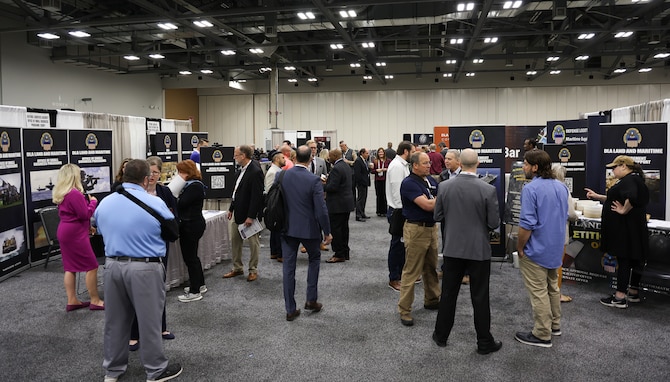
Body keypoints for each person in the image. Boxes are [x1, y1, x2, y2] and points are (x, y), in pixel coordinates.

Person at [95, 159, 182, 382]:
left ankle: (112, 370)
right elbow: (173, 232)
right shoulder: (155, 202)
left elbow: (96, 225)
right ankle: (155, 370)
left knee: (114, 321)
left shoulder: (105, 202)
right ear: (146, 179)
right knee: (150, 321)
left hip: (112, 265)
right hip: (145, 267)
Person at [431, 149, 502, 354]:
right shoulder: (487, 189)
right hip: (478, 250)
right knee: (480, 297)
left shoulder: (444, 186)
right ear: (478, 164)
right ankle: (484, 342)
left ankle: (441, 335)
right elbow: (493, 222)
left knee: (448, 294)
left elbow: (437, 215)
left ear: (460, 163)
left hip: (452, 248)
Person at [515, 149, 568, 348]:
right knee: (552, 287)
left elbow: (526, 224)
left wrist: (520, 247)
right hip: (555, 248)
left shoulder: (531, 189)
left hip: (536, 249)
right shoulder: (561, 187)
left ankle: (542, 333)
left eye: (526, 164)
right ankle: (555, 325)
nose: (523, 167)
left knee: (538, 292)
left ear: (535, 167)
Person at [585, 155, 649, 309]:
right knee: (635, 259)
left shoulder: (630, 180)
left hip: (626, 229)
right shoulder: (634, 179)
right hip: (633, 229)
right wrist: (598, 197)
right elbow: (620, 197)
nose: (612, 170)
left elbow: (631, 197)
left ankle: (620, 297)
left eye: (614, 167)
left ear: (624, 166)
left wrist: (623, 210)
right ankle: (633, 292)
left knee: (625, 259)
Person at [129, 156, 178, 351]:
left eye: (156, 172)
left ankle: (161, 327)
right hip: (137, 246)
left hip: (160, 246)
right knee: (135, 290)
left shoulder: (165, 192)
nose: (152, 176)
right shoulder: (133, 193)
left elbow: (174, 217)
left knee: (159, 287)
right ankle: (134, 333)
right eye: (149, 173)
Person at [280, 146, 333, 321]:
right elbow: (321, 210)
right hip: (309, 229)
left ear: (294, 158)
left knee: (288, 267)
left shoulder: (283, 175)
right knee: (314, 259)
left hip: (287, 228)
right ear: (311, 159)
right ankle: (311, 299)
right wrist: (327, 232)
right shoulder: (314, 180)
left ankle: (290, 309)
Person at [52, 163, 104, 311]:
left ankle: (72, 300)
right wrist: (93, 202)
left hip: (66, 231)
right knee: (92, 266)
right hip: (75, 234)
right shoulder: (74, 193)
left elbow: (76, 215)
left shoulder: (62, 193)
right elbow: (85, 214)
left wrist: (88, 227)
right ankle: (95, 300)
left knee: (70, 268)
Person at [397, 151, 441, 327]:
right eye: (425, 163)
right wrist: (443, 197)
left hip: (431, 229)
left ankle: (432, 299)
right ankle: (404, 310)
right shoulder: (408, 183)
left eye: (428, 162)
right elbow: (428, 205)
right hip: (416, 230)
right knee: (412, 271)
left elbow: (436, 200)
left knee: (431, 267)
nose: (428, 165)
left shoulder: (430, 180)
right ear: (414, 165)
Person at [223, 145, 265, 281]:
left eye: (236, 155)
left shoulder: (255, 171)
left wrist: (251, 216)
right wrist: (231, 208)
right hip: (237, 212)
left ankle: (253, 269)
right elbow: (236, 192)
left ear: (243, 155)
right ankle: (237, 268)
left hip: (249, 215)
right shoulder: (239, 171)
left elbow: (257, 197)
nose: (234, 158)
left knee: (253, 243)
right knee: (235, 240)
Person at [175, 160, 207, 302]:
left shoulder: (194, 186)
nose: (178, 175)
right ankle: (199, 284)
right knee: (193, 257)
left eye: (180, 172)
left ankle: (195, 291)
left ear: (187, 172)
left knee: (190, 258)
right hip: (192, 224)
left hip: (191, 225)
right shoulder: (192, 185)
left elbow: (181, 203)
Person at [385, 141, 413, 291]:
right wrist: (403, 212)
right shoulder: (396, 166)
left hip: (401, 210)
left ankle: (401, 275)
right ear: (406, 151)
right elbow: (397, 193)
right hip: (398, 210)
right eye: (412, 151)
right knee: (397, 245)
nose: (413, 154)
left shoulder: (402, 165)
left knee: (402, 245)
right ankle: (394, 278)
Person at [551, 164, 579, 303]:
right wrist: (576, 217)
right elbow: (571, 213)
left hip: (543, 233)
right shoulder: (563, 189)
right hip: (560, 233)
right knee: (557, 265)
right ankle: (557, 295)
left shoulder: (543, 187)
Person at [323, 148, 354, 263]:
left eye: (329, 156)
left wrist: (322, 185)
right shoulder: (345, 166)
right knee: (344, 229)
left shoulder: (336, 168)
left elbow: (333, 187)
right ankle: (345, 252)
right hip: (346, 203)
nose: (328, 158)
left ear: (335, 156)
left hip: (337, 205)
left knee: (336, 230)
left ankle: (338, 253)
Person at [265, 151, 286, 262]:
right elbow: (270, 191)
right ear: (277, 159)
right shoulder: (273, 172)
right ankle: (279, 253)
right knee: (278, 229)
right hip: (275, 204)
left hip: (276, 204)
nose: (285, 160)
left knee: (276, 230)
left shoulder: (277, 171)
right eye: (283, 157)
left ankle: (275, 252)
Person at [353, 147, 372, 221]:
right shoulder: (358, 161)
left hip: (365, 183)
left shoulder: (364, 160)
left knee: (364, 199)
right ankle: (358, 215)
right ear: (362, 153)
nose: (368, 154)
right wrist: (361, 182)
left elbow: (365, 171)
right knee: (360, 199)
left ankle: (362, 213)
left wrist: (369, 168)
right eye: (367, 153)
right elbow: (357, 174)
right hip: (361, 183)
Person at [372, 147, 390, 217]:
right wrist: (376, 170)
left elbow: (391, 169)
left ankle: (384, 211)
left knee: (385, 195)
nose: (381, 153)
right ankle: (379, 211)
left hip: (385, 180)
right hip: (378, 180)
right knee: (379, 195)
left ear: (384, 153)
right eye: (379, 152)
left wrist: (386, 169)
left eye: (382, 152)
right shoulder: (375, 161)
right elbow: (372, 171)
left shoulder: (388, 161)